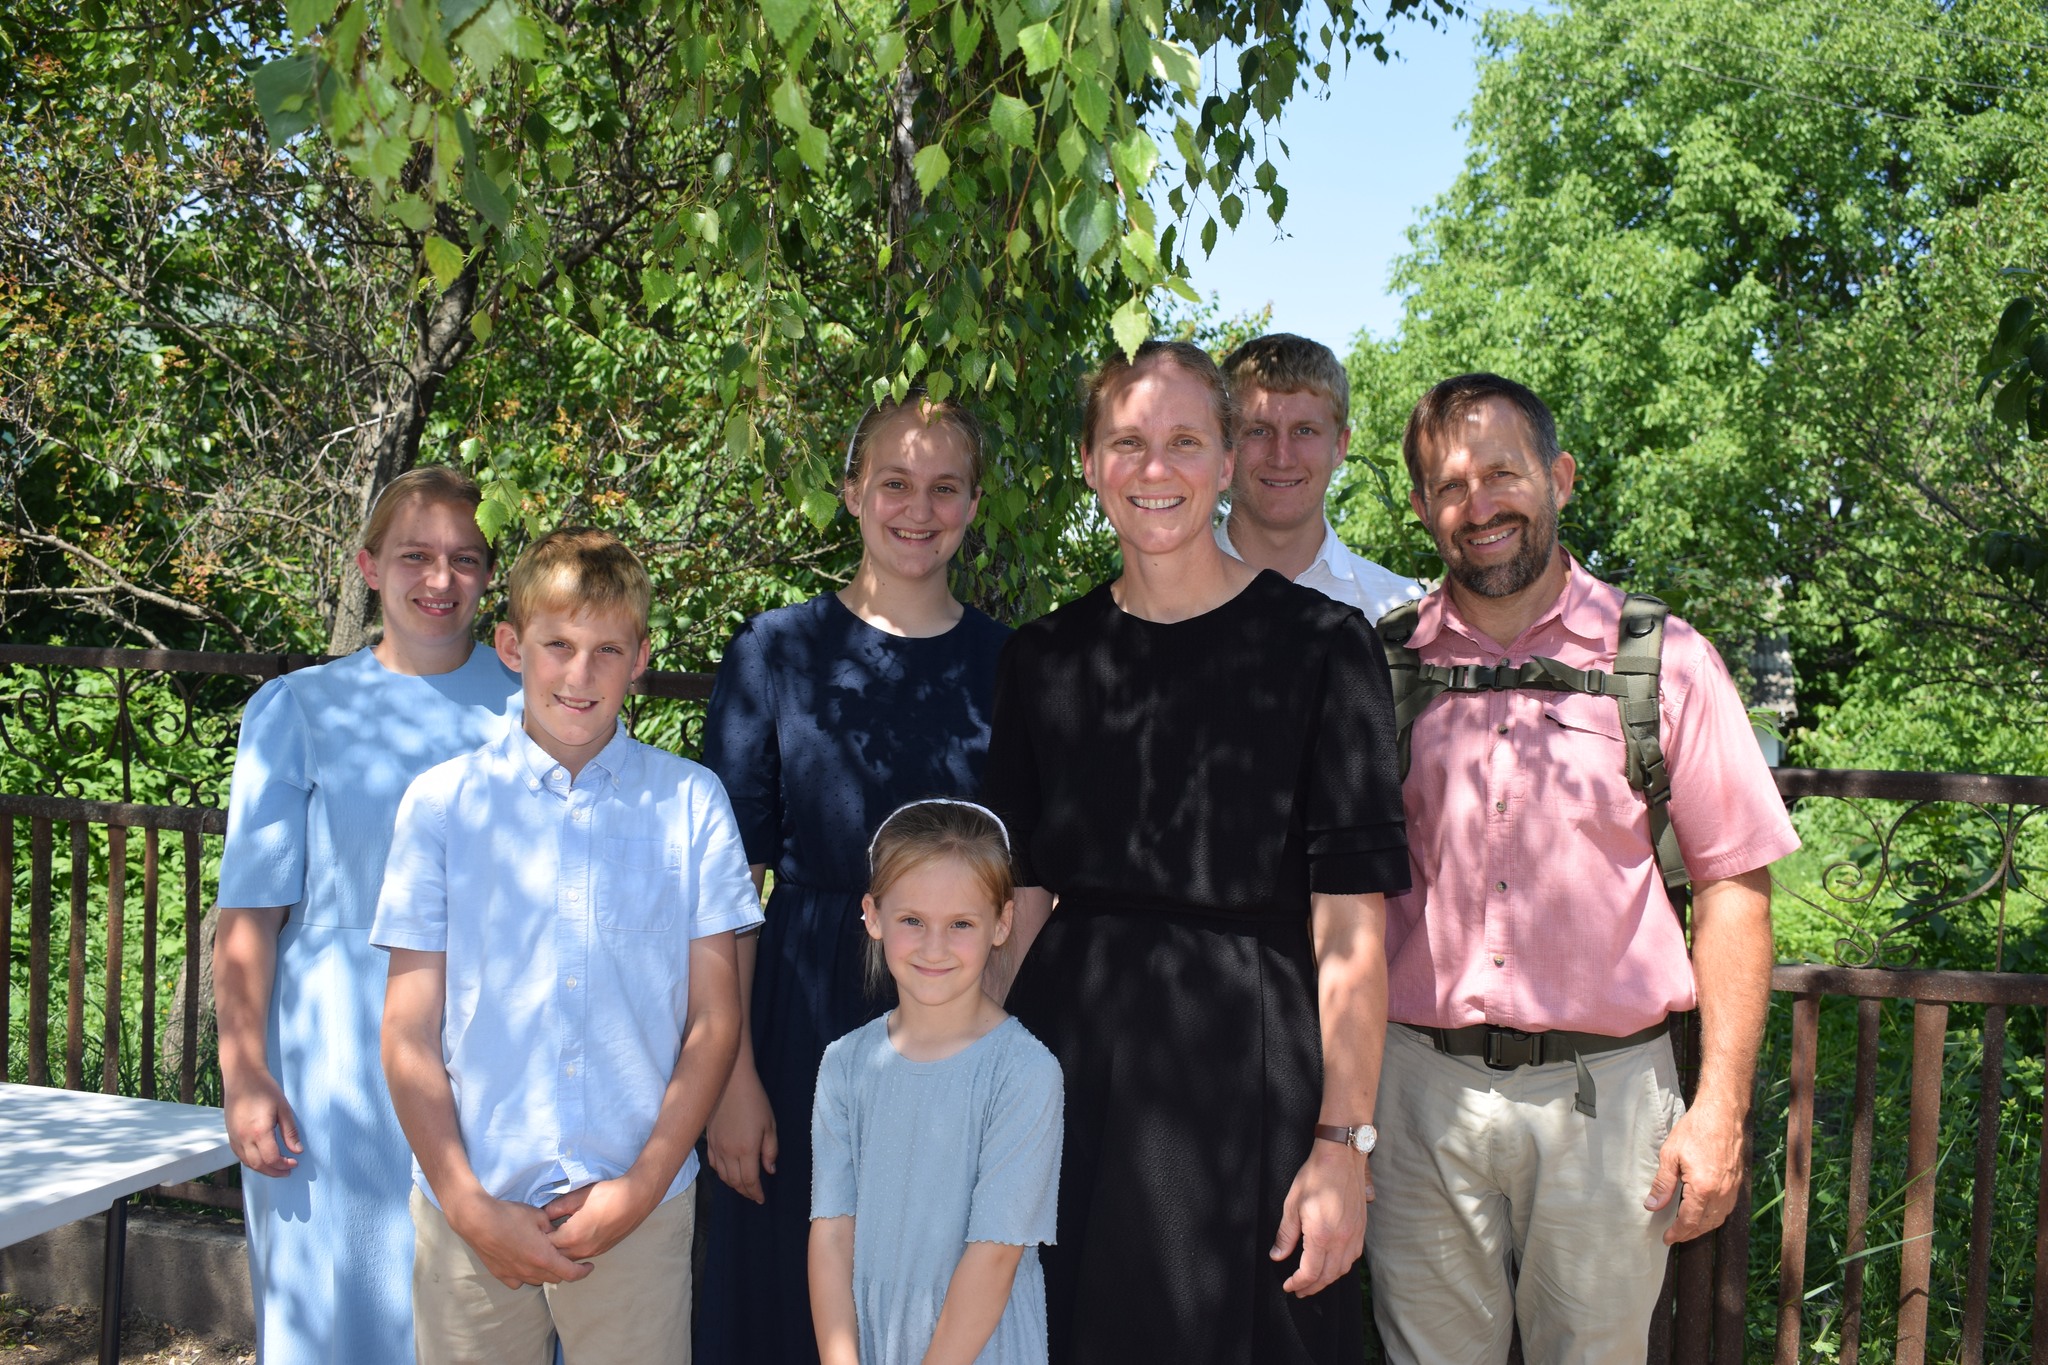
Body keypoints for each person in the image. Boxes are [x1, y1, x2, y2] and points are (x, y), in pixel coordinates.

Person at [983, 340, 1409, 1365]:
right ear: (1090, 464)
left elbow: (1351, 923)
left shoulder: (1323, 647)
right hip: (1067, 1060)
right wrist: (976, 1086)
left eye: (1183, 441)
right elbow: (1020, 899)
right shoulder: (1041, 658)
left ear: (1224, 462)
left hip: (1254, 1064)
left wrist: (1342, 1145)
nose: (1155, 468)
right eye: (1128, 442)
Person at [1365, 373, 1799, 1363]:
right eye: (1449, 485)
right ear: (1422, 507)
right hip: (1415, 1094)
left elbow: (1734, 891)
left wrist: (1720, 1111)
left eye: (1502, 474)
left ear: (1558, 477)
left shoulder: (1665, 661)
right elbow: (1340, 896)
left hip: (1607, 1100)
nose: (1478, 505)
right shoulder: (1384, 666)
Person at [373, 527, 758, 1365]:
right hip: (472, 1210)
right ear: (512, 646)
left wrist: (642, 1187)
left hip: (638, 1209)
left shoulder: (692, 804)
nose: (580, 674)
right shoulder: (441, 806)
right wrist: (466, 1202)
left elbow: (714, 1020)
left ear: (640, 658)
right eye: (558, 646)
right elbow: (407, 1030)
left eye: (607, 650)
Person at [698, 393, 1012, 1365]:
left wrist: (987, 1050)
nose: (918, 508)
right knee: (785, 1300)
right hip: (799, 1015)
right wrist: (731, 1079)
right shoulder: (774, 653)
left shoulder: (1010, 665)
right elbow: (722, 893)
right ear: (851, 492)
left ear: (972, 504)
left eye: (944, 487)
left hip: (952, 1011)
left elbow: (1030, 883)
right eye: (894, 482)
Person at [213, 466, 518, 1364]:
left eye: (465, 558)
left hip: (486, 1055)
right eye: (415, 555)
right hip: (330, 1063)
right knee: (335, 1311)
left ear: (488, 576)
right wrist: (244, 1071)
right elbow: (249, 915)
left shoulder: (532, 702)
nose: (440, 578)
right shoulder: (299, 709)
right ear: (369, 566)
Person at [808, 799, 1063, 1365]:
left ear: (1001, 924)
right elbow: (831, 1233)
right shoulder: (845, 1065)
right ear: (873, 915)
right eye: (912, 921)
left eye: (961, 924)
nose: (934, 947)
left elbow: (994, 1256)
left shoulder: (1024, 1073)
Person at [1216, 332, 1421, 621]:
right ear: (1224, 445)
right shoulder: (1159, 602)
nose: (1282, 458)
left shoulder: (1400, 609)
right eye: (1258, 431)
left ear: (1339, 446)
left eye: (1305, 431)